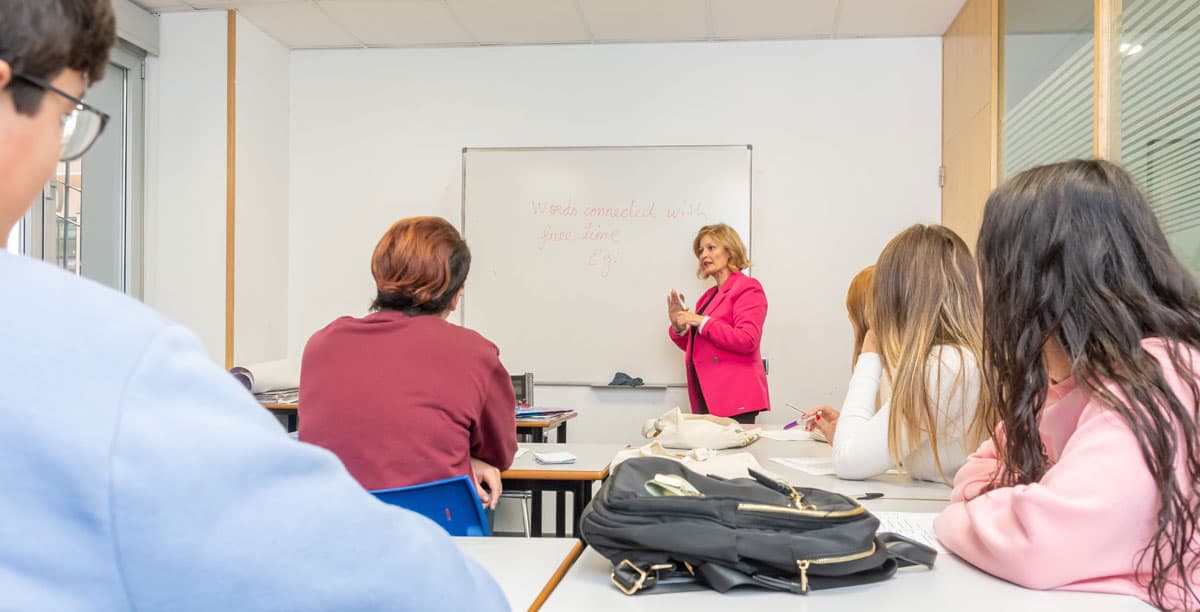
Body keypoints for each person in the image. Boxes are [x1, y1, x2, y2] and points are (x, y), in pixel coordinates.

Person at [0, 2, 506, 609]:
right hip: (432, 542)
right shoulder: (111, 358)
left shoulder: (322, 342)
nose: (58, 153)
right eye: (66, 116)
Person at [934, 160, 1200, 609]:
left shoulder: (1161, 377)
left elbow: (1038, 543)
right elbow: (977, 475)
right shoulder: (1071, 385)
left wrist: (953, 522)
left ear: (1037, 283)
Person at [299, 216, 517, 507]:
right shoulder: (476, 352)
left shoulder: (320, 345)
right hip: (436, 531)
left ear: (380, 275)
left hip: (332, 526)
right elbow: (500, 453)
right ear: (456, 294)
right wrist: (472, 459)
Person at [805, 225, 992, 482]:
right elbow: (896, 449)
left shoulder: (944, 366)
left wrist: (869, 354)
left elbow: (848, 462)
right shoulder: (956, 359)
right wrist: (854, 435)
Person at [667, 223, 769, 425]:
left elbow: (747, 340)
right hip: (707, 394)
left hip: (735, 397)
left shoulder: (748, 287)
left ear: (730, 251)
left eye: (711, 248)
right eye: (701, 250)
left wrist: (700, 320)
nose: (704, 255)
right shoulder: (708, 296)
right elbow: (700, 347)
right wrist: (679, 326)